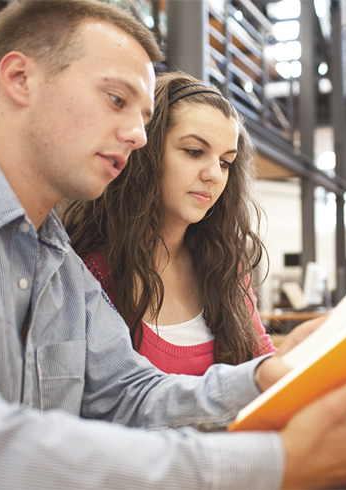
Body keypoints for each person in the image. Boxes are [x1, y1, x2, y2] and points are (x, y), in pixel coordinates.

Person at [0, 1, 346, 489]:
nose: (137, 135)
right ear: (20, 79)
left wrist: (267, 375)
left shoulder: (56, 258)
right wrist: (275, 462)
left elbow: (130, 394)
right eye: (116, 99)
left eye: (144, 115)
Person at [63, 71, 276, 376]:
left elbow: (260, 359)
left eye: (225, 162)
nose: (214, 175)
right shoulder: (90, 271)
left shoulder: (225, 262)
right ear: (145, 152)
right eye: (194, 152)